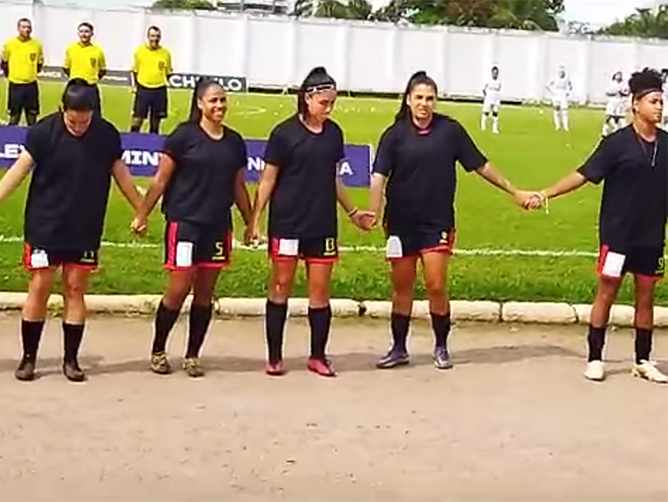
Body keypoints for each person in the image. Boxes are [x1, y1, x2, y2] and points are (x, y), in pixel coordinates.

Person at [0, 79, 143, 383]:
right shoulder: (43, 132)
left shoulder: (105, 135)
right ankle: (28, 359)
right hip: (45, 225)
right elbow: (19, 169)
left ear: (93, 112)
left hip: (85, 225)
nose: (78, 126)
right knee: (40, 286)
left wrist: (140, 210)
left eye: (84, 120)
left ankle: (71, 360)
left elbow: (121, 175)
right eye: (72, 120)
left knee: (76, 288)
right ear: (62, 110)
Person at [366, 71, 536, 371]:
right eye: (418, 97)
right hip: (401, 223)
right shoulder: (394, 135)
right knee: (402, 287)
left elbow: (481, 165)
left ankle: (441, 345)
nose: (424, 104)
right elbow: (379, 176)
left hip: (437, 222)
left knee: (436, 285)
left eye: (430, 98)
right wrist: (373, 210)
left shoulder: (450, 131)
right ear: (408, 100)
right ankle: (398, 348)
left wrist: (514, 191)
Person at [527, 68, 666, 384]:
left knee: (646, 299)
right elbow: (583, 174)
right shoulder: (616, 144)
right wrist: (546, 193)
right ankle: (595, 357)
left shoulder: (667, 144)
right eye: (654, 101)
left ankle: (643, 360)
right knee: (607, 294)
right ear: (635, 104)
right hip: (618, 236)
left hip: (652, 237)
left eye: (662, 101)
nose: (659, 107)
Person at [249, 67, 371, 378]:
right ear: (308, 98)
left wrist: (353, 212)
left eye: (332, 103)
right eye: (324, 103)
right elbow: (267, 179)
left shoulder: (334, 134)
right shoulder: (284, 133)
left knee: (320, 290)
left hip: (322, 225)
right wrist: (255, 220)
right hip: (288, 223)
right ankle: (275, 356)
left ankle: (318, 356)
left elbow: (333, 179)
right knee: (281, 286)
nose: (329, 109)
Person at [130, 79, 254, 378]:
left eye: (222, 100)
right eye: (213, 100)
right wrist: (142, 214)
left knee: (204, 293)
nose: (219, 105)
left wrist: (251, 222)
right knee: (178, 288)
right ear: (199, 103)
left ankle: (192, 355)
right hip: (184, 223)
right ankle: (158, 349)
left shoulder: (234, 142)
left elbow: (238, 186)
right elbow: (160, 180)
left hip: (216, 226)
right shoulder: (183, 137)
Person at [130, 26, 173, 134]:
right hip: (143, 88)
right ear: (148, 37)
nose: (155, 38)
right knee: (137, 119)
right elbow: (135, 71)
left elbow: (168, 73)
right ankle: (132, 142)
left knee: (156, 121)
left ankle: (153, 145)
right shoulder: (140, 51)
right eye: (152, 36)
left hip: (159, 89)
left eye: (157, 36)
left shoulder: (165, 53)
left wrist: (159, 81)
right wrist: (137, 86)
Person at [1, 18, 44, 126]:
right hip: (15, 85)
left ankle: (33, 140)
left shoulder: (36, 45)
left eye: (29, 27)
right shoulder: (10, 44)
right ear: (18, 28)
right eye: (24, 27)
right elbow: (4, 62)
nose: (27, 29)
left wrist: (30, 74)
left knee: (32, 116)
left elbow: (39, 63)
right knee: (14, 116)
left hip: (31, 85)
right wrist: (12, 75)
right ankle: (10, 139)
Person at [63, 22, 106, 116]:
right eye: (81, 31)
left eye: (87, 31)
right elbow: (66, 68)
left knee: (95, 115)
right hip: (74, 87)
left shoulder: (98, 51)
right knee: (69, 113)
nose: (84, 34)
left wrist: (91, 79)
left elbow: (102, 70)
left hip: (90, 87)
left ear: (92, 34)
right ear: (78, 33)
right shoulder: (71, 49)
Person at [603, 71, 629, 137]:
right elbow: (607, 92)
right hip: (612, 102)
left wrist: (623, 93)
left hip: (620, 102)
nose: (619, 77)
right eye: (617, 75)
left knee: (619, 116)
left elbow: (627, 92)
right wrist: (613, 93)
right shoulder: (612, 84)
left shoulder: (624, 84)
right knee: (609, 116)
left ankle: (618, 129)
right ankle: (605, 131)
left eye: (620, 75)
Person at [547, 66, 573, 131]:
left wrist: (568, 92)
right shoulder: (554, 78)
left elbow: (570, 86)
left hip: (563, 97)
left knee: (564, 112)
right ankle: (557, 126)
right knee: (556, 111)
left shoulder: (567, 79)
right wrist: (553, 91)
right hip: (556, 97)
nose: (561, 74)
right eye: (560, 72)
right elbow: (548, 85)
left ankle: (566, 126)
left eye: (562, 72)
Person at [481, 65, 502, 134]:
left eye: (496, 73)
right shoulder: (488, 80)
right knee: (486, 112)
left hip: (495, 99)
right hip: (489, 98)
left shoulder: (499, 82)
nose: (495, 74)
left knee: (495, 113)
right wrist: (486, 96)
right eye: (494, 73)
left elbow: (499, 90)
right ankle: (483, 125)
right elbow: (483, 89)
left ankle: (494, 128)